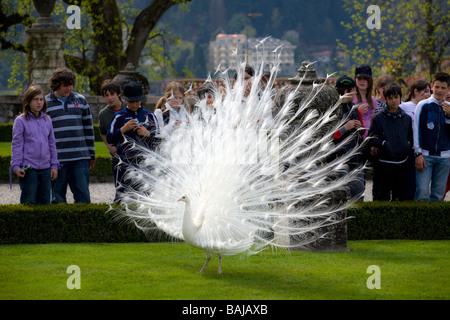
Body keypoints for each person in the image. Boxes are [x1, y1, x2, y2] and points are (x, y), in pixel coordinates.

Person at [46, 67, 95, 204]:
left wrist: (91, 155)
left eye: (71, 85)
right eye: (65, 85)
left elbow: (88, 129)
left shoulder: (81, 101)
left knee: (83, 197)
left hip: (80, 158)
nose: (69, 88)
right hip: (57, 159)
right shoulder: (44, 103)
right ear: (56, 84)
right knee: (57, 198)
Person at [107, 81, 159, 201]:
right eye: (131, 102)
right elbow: (110, 139)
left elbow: (159, 140)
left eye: (137, 101)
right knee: (122, 195)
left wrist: (147, 134)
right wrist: (123, 129)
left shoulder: (150, 116)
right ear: (125, 99)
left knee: (146, 195)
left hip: (145, 162)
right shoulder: (118, 117)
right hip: (125, 162)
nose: (134, 104)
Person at [11, 86, 59, 204]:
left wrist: (54, 165)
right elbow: (17, 145)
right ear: (28, 101)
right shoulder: (20, 121)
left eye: (41, 99)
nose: (39, 102)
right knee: (29, 203)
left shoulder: (47, 120)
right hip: (29, 169)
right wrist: (16, 166)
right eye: (35, 99)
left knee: (44, 204)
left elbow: (52, 144)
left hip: (46, 169)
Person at [367, 84, 413, 201]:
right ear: (386, 99)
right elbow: (370, 138)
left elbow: (410, 138)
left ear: (400, 98)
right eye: (390, 98)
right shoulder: (379, 118)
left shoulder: (406, 118)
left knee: (401, 198)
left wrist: (406, 146)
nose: (393, 100)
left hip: (402, 164)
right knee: (382, 198)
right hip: (384, 164)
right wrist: (383, 143)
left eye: (396, 97)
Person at [413, 72, 450, 201]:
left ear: (448, 89)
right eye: (437, 87)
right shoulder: (423, 105)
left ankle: (435, 221)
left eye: (443, 88)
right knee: (422, 193)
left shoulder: (449, 108)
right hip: (425, 156)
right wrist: (418, 153)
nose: (439, 90)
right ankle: (420, 221)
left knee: (438, 195)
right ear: (432, 86)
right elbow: (416, 130)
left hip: (445, 158)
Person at [332, 75, 366, 201]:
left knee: (358, 193)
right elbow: (329, 136)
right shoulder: (333, 109)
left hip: (355, 158)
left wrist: (359, 127)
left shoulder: (355, 109)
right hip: (339, 158)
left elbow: (361, 133)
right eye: (353, 90)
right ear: (346, 91)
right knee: (340, 195)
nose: (355, 93)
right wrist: (345, 128)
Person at [399, 79, 431, 199]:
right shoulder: (403, 107)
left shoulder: (429, 107)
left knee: (421, 184)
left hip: (423, 150)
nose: (428, 94)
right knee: (408, 183)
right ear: (415, 91)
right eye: (426, 91)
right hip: (407, 150)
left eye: (429, 92)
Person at [98, 79, 126, 181]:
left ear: (119, 93)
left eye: (112, 94)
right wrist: (109, 147)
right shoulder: (103, 114)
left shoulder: (128, 106)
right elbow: (103, 132)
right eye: (106, 95)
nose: (109, 98)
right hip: (116, 155)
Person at [353, 64, 378, 140]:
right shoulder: (352, 98)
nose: (362, 81)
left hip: (369, 140)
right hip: (356, 140)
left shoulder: (373, 100)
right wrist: (358, 114)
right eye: (359, 78)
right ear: (355, 79)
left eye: (365, 78)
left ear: (370, 80)